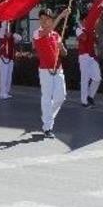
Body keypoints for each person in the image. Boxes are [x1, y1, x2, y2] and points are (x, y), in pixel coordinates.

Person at [33, 8, 70, 139]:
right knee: (47, 98)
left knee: (61, 97)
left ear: (51, 20)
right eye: (41, 19)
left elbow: (65, 54)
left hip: (58, 69)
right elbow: (47, 31)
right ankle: (47, 126)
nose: (44, 21)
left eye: (47, 19)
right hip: (45, 70)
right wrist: (61, 15)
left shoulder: (56, 35)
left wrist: (62, 48)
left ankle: (47, 117)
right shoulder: (37, 33)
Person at [76, 24, 102, 108]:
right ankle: (84, 101)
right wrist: (89, 31)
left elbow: (97, 41)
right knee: (85, 79)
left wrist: (95, 34)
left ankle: (90, 96)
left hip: (92, 56)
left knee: (97, 78)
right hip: (84, 56)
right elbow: (84, 38)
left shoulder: (92, 29)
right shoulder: (79, 29)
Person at [0, 22, 21, 100]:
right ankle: (2, 93)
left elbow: (19, 39)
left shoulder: (12, 36)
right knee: (4, 76)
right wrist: (5, 25)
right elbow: (2, 31)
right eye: (7, 25)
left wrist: (12, 35)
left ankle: (6, 92)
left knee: (9, 75)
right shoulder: (1, 34)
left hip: (10, 57)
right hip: (4, 57)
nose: (8, 27)